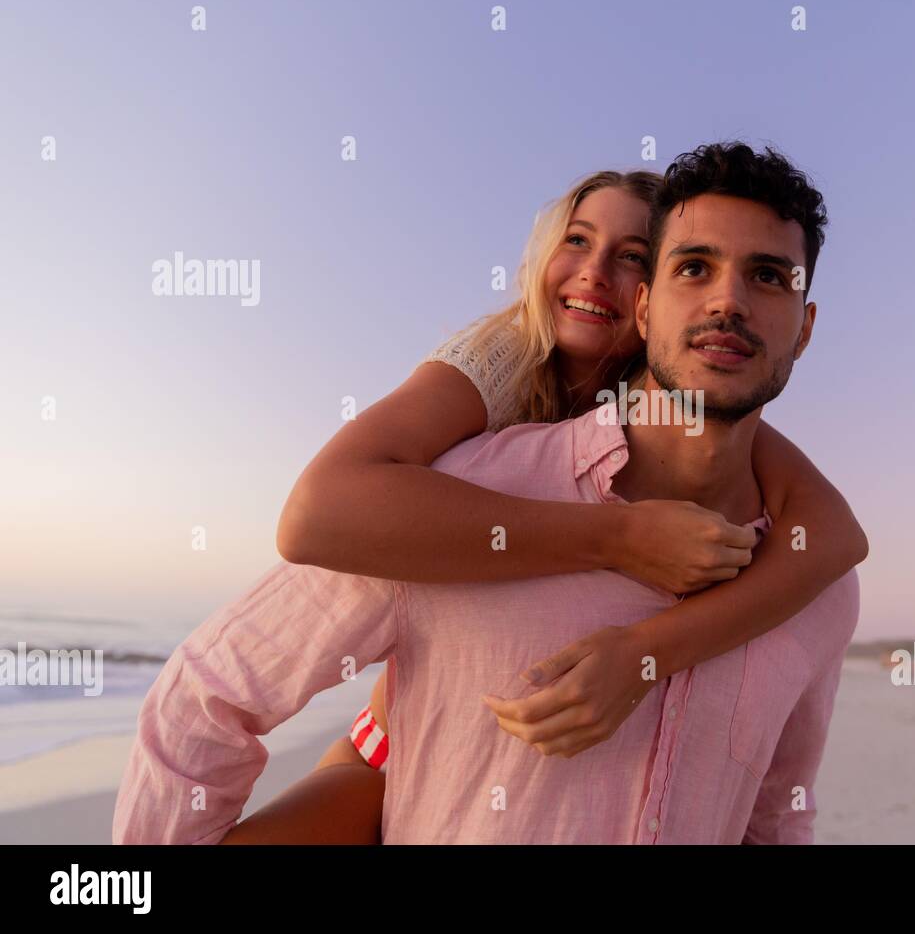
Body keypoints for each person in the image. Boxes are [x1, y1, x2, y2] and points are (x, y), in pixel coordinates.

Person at [113, 142, 862, 844]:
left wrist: (643, 654)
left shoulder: (814, 581)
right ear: (647, 310)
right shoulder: (461, 464)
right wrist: (618, 536)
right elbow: (213, 686)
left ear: (805, 330)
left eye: (769, 276)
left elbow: (775, 813)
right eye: (693, 267)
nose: (727, 301)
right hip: (382, 753)